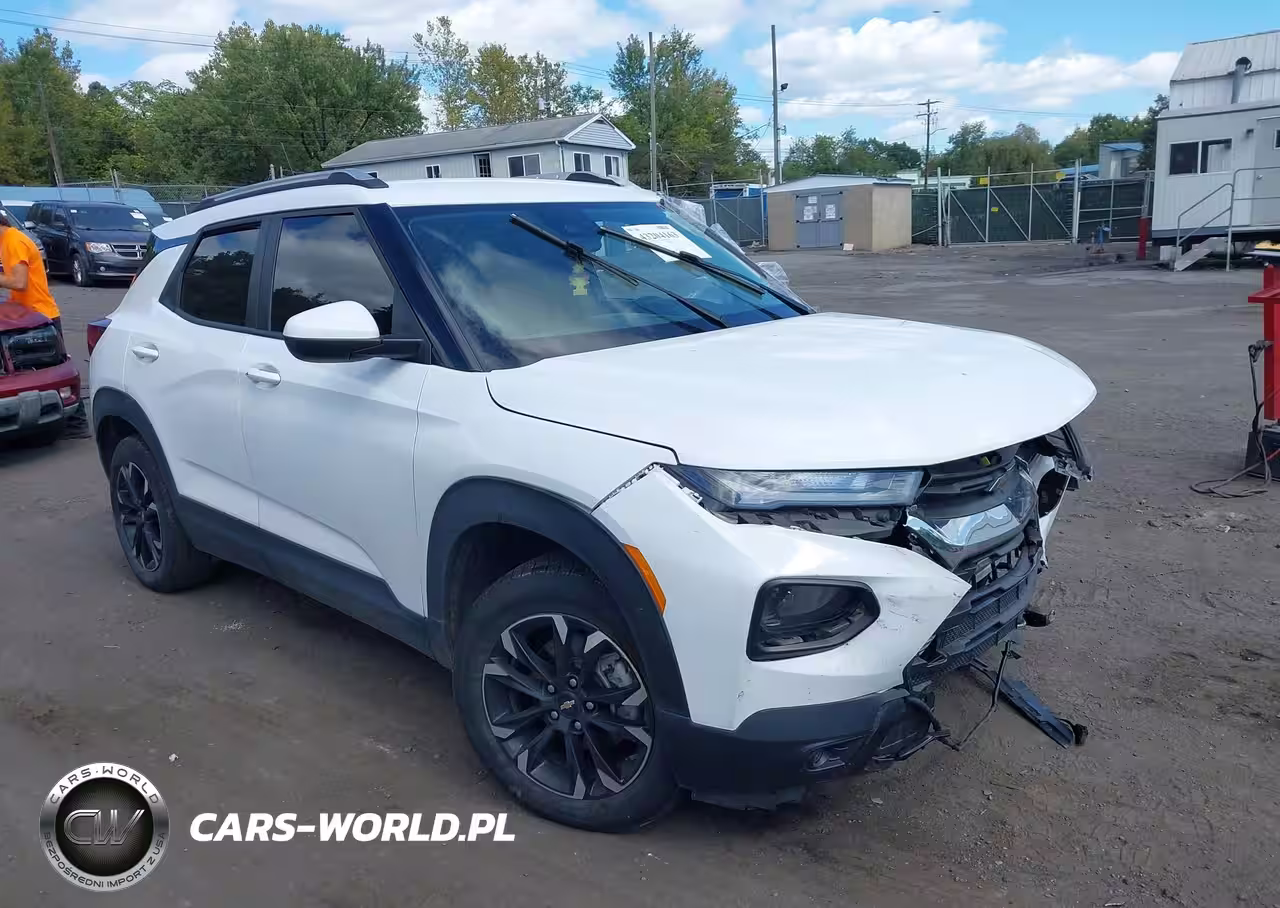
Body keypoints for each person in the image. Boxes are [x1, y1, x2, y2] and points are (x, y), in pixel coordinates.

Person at [0, 221, 91, 438]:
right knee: (35, 371)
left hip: (39, 317)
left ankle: (77, 424)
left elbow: (19, 282)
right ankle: (61, 421)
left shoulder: (13, 241)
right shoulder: (8, 241)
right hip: (27, 318)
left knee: (54, 368)